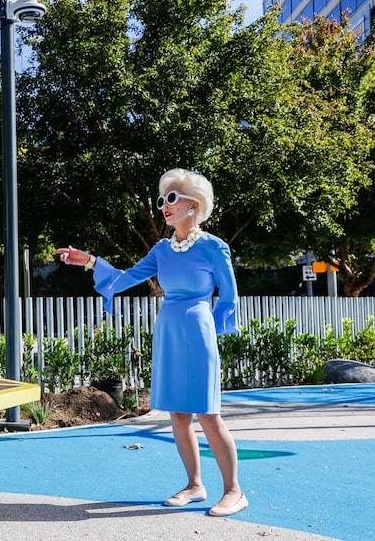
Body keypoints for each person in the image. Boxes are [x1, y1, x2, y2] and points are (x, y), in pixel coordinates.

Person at [56, 168, 248, 517]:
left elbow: (230, 295)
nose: (164, 206)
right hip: (169, 330)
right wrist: (91, 261)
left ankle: (234, 491)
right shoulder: (162, 249)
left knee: (208, 414)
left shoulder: (213, 246)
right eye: (163, 199)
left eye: (172, 198)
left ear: (195, 204)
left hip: (198, 332)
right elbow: (127, 278)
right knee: (177, 414)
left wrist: (213, 329)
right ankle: (195, 485)